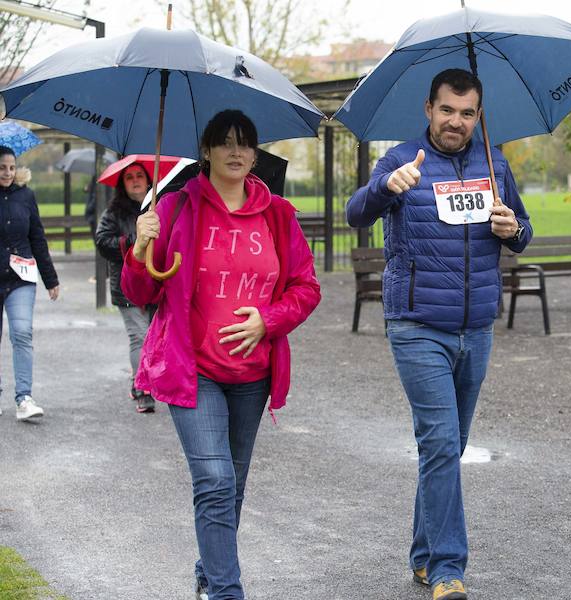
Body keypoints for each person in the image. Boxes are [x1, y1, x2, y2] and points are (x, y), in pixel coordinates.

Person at [347, 68, 532, 600]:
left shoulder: (495, 164)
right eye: (447, 110)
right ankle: (449, 568)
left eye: (467, 112)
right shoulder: (401, 159)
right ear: (429, 109)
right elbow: (356, 213)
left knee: (446, 449)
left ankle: (424, 555)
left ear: (479, 116)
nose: (456, 121)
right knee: (442, 441)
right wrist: (386, 186)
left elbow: (522, 229)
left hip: (476, 328)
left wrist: (512, 229)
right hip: (417, 325)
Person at [121, 110, 321, 600]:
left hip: (253, 374)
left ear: (255, 154)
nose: (236, 151)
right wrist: (139, 246)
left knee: (232, 484)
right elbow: (139, 288)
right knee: (214, 479)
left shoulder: (277, 214)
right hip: (194, 369)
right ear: (205, 151)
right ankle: (227, 591)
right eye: (225, 142)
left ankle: (209, 571)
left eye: (245, 143)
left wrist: (267, 322)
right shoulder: (174, 208)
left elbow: (305, 287)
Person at [0, 146, 60, 422]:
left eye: (12, 167)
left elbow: (38, 238)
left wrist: (51, 280)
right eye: (2, 167)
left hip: (20, 278)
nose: (8, 172)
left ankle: (24, 398)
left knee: (22, 333)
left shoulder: (26, 196)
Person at [94, 162, 156, 412]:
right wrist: (133, 241)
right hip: (126, 286)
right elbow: (102, 242)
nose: (135, 180)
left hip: (155, 284)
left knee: (153, 336)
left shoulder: (159, 205)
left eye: (139, 175)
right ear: (123, 184)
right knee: (139, 337)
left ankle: (144, 379)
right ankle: (142, 388)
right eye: (129, 177)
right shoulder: (113, 213)